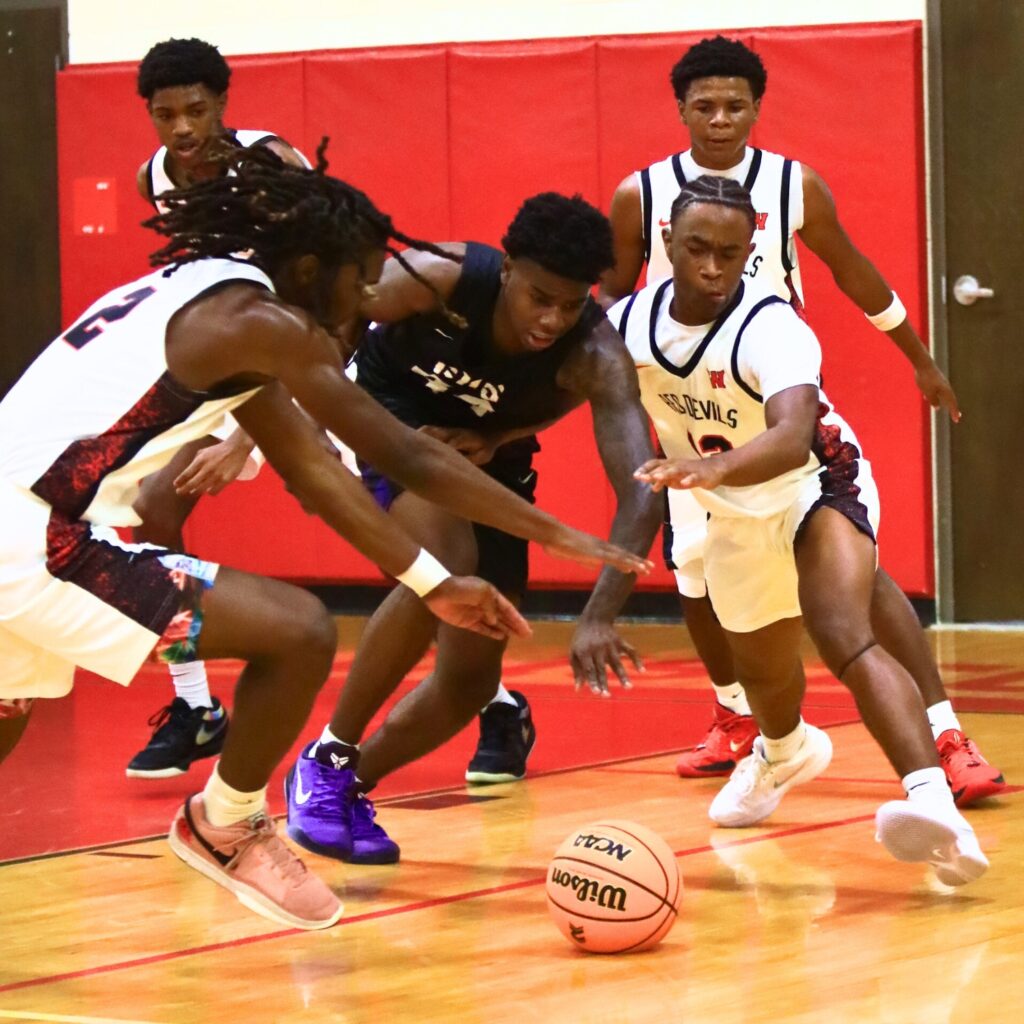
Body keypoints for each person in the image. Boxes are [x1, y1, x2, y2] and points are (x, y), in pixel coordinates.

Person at [0, 146, 650, 929]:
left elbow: (314, 474)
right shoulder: (270, 325)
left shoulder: (219, 299)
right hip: (36, 541)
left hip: (33, 527)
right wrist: (558, 535)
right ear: (313, 266)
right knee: (301, 632)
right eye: (363, 276)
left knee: (9, 707)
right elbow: (403, 453)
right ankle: (226, 822)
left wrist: (434, 585)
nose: (372, 294)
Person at [601, 35, 1005, 806]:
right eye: (704, 105)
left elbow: (851, 269)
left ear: (757, 108)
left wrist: (917, 357)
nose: (720, 119)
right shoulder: (641, 195)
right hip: (690, 405)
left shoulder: (792, 186)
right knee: (695, 570)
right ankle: (738, 717)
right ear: (680, 108)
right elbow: (608, 300)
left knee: (855, 572)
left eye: (736, 105)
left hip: (778, 396)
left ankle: (945, 733)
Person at [624, 175, 987, 885]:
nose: (711, 267)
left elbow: (792, 438)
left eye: (730, 253)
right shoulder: (628, 324)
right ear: (665, 241)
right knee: (764, 675)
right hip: (731, 512)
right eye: (697, 248)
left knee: (843, 630)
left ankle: (937, 806)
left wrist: (712, 472)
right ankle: (784, 751)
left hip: (818, 484)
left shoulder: (772, 325)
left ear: (749, 251)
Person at [283, 192, 662, 864]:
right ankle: (326, 754)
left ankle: (345, 789)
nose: (552, 319)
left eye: (570, 305)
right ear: (508, 268)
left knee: (467, 675)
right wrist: (306, 427)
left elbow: (642, 492)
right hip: (387, 422)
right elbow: (331, 314)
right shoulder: (446, 274)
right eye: (539, 297)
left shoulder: (595, 354)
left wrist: (599, 615)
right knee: (446, 561)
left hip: (487, 465)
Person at [126, 37, 315, 781]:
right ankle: (197, 706)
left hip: (309, 358)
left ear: (224, 106)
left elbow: (315, 289)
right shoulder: (155, 178)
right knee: (152, 507)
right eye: (165, 114)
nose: (180, 128)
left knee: (399, 537)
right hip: (229, 371)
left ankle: (490, 698)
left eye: (196, 111)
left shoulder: (270, 164)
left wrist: (245, 435)